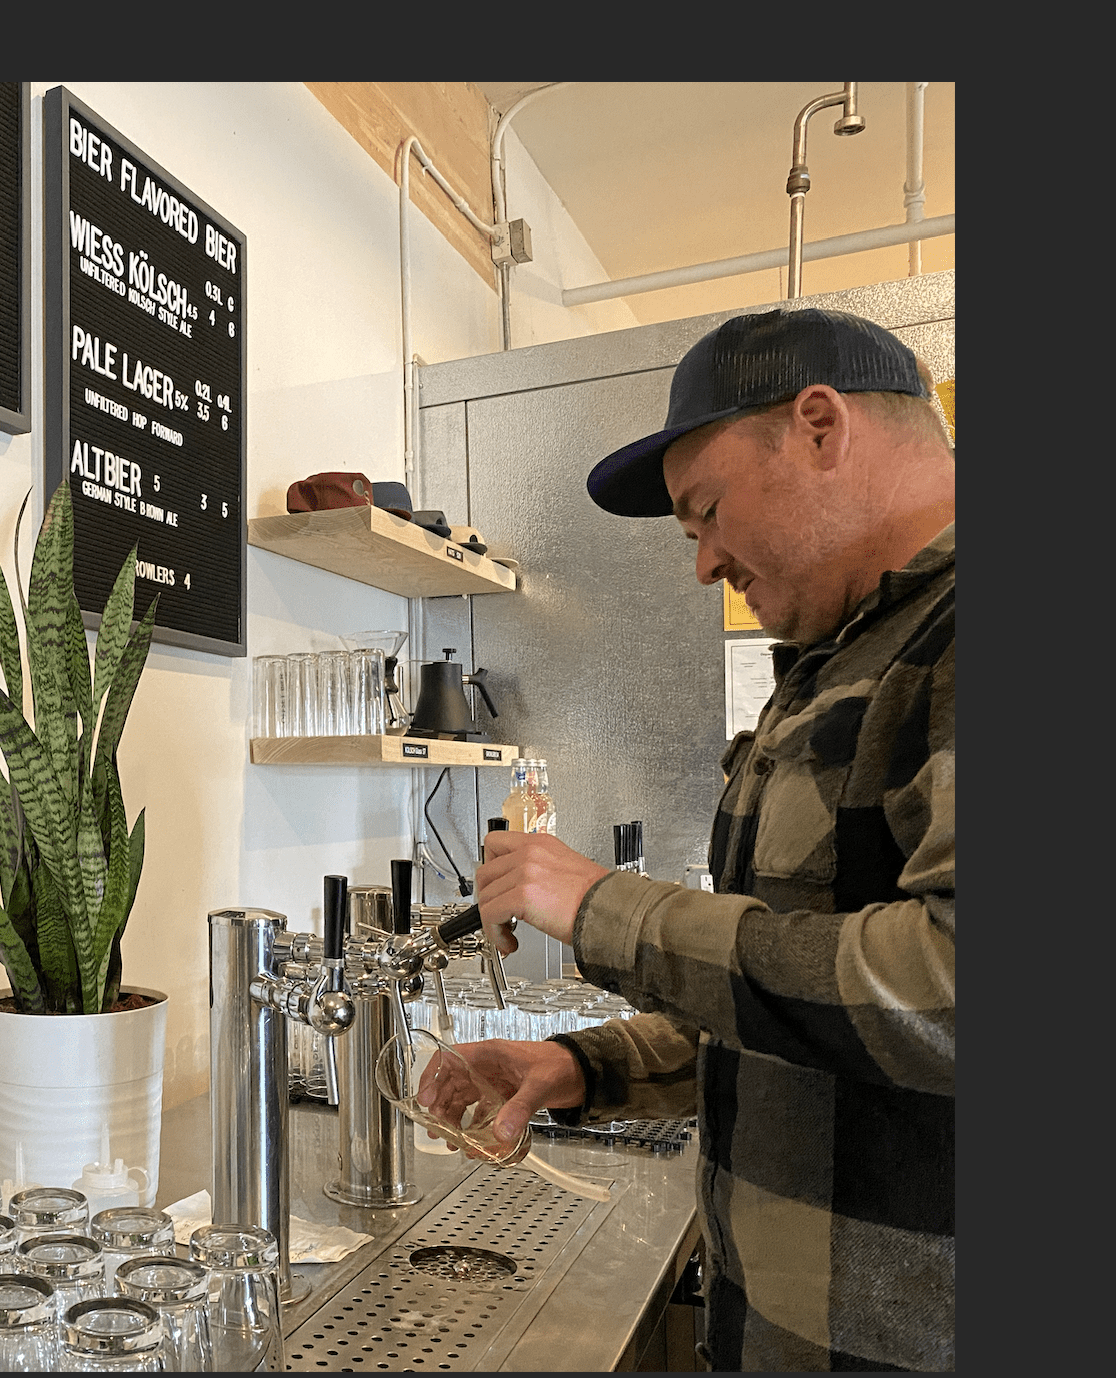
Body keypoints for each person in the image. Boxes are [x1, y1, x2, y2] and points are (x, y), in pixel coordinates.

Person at [418, 307, 954, 1371]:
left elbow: (946, 991)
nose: (703, 563)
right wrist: (580, 1066)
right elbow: (802, 988)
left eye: (704, 512)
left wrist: (599, 905)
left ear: (817, 426)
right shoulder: (838, 659)